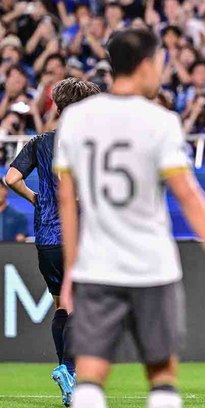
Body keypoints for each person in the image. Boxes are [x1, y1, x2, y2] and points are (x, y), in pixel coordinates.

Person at [54, 29, 205, 408]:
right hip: (153, 267)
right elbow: (188, 194)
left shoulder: (75, 119)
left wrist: (71, 268)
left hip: (96, 266)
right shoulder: (160, 120)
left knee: (88, 379)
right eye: (159, 62)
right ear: (143, 65)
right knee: (163, 380)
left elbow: (66, 202)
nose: (161, 70)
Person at [5, 77, 100, 406]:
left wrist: (36, 199)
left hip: (46, 236)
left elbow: (10, 178)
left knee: (62, 303)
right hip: (78, 234)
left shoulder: (39, 142)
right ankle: (70, 369)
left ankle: (66, 372)